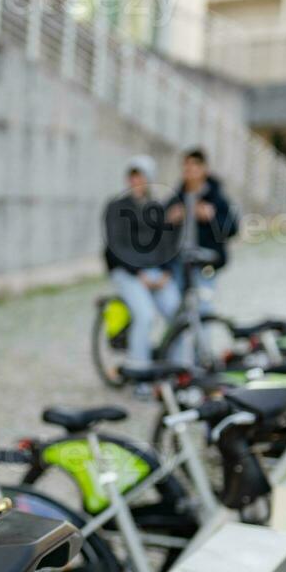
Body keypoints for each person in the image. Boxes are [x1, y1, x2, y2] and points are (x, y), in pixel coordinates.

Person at [103, 154, 181, 391]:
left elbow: (167, 243)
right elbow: (115, 246)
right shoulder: (116, 207)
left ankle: (178, 374)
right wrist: (139, 273)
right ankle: (141, 379)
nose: (136, 180)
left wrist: (166, 271)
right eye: (133, 175)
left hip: (156, 272)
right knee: (145, 316)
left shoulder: (157, 209)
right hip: (127, 272)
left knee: (178, 314)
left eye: (141, 175)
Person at [164, 147, 240, 314]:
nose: (190, 170)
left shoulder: (216, 198)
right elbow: (158, 230)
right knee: (176, 311)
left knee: (203, 310)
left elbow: (233, 229)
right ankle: (179, 341)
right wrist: (169, 219)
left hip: (204, 263)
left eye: (194, 166)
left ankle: (202, 341)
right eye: (186, 166)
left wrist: (211, 217)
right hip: (178, 264)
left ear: (204, 169)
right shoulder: (176, 198)